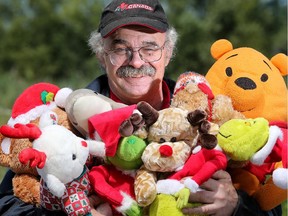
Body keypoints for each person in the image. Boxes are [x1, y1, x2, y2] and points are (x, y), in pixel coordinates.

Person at [0, 0, 283, 215]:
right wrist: (68, 208)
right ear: (102, 55)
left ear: (168, 53)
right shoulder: (58, 123)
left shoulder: (213, 118)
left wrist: (235, 206)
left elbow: (270, 205)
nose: (136, 61)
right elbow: (7, 204)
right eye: (120, 48)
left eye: (150, 48)